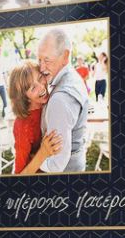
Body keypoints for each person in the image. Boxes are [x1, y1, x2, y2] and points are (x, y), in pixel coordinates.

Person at [36, 27, 89, 173]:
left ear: (65, 56)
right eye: (39, 59)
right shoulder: (73, 77)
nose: (41, 67)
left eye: (47, 60)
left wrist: (34, 159)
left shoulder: (60, 99)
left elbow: (56, 165)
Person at [7, 62, 62, 174]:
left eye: (40, 78)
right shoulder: (23, 125)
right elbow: (20, 175)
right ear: (25, 98)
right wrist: (43, 153)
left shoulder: (50, 102)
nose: (41, 87)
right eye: (33, 88)